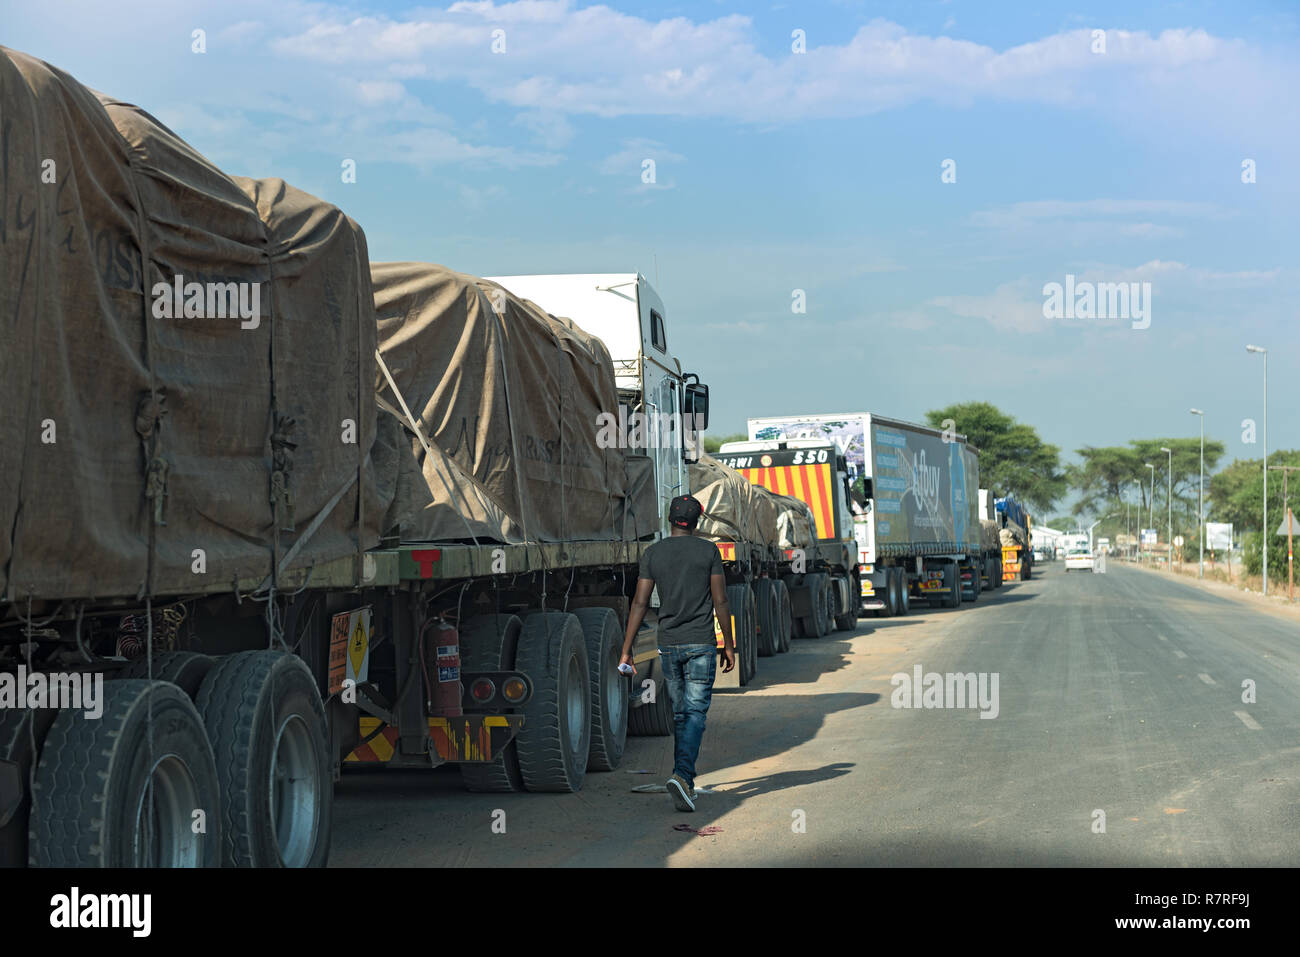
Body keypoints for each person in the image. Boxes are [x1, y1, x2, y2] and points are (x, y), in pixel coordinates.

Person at [620, 494, 735, 811]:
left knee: (682, 713)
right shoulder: (708, 551)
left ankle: (684, 781)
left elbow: (640, 603)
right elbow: (721, 600)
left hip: (668, 643)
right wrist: (729, 643)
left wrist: (627, 650)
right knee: (695, 713)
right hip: (701, 642)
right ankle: (683, 776)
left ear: (669, 519)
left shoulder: (653, 553)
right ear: (697, 522)